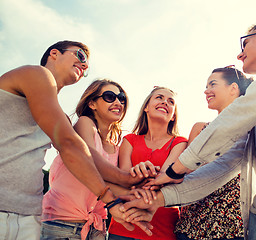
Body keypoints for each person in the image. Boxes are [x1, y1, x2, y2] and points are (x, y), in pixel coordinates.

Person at [121, 19, 256, 240]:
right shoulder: (255, 106)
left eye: (244, 44)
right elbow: (224, 167)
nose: (239, 55)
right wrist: (160, 199)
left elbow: (243, 111)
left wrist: (174, 170)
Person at [0, 40, 152, 240]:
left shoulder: (61, 118)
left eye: (87, 64)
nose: (85, 65)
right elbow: (71, 146)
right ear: (54, 54)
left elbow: (85, 158)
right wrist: (115, 195)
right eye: (80, 56)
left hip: (29, 214)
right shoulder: (35, 74)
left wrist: (137, 192)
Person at [41, 79, 128, 239]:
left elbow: (114, 185)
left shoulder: (117, 147)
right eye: (110, 96)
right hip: (62, 222)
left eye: (121, 98)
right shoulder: (84, 124)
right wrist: (132, 189)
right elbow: (93, 168)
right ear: (92, 104)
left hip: (97, 226)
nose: (118, 102)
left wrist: (142, 195)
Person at [175, 66, 252, 240]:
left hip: (233, 222)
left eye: (212, 84)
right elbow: (187, 169)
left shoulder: (250, 127)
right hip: (194, 222)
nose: (206, 91)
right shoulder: (200, 128)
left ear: (233, 88)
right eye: (206, 86)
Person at [108, 87, 187, 240]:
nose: (165, 102)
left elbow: (162, 181)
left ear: (173, 116)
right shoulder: (129, 140)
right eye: (159, 97)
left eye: (171, 102)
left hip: (163, 230)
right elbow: (122, 180)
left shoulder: (180, 143)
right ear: (146, 108)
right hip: (123, 226)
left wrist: (135, 176)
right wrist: (132, 175)